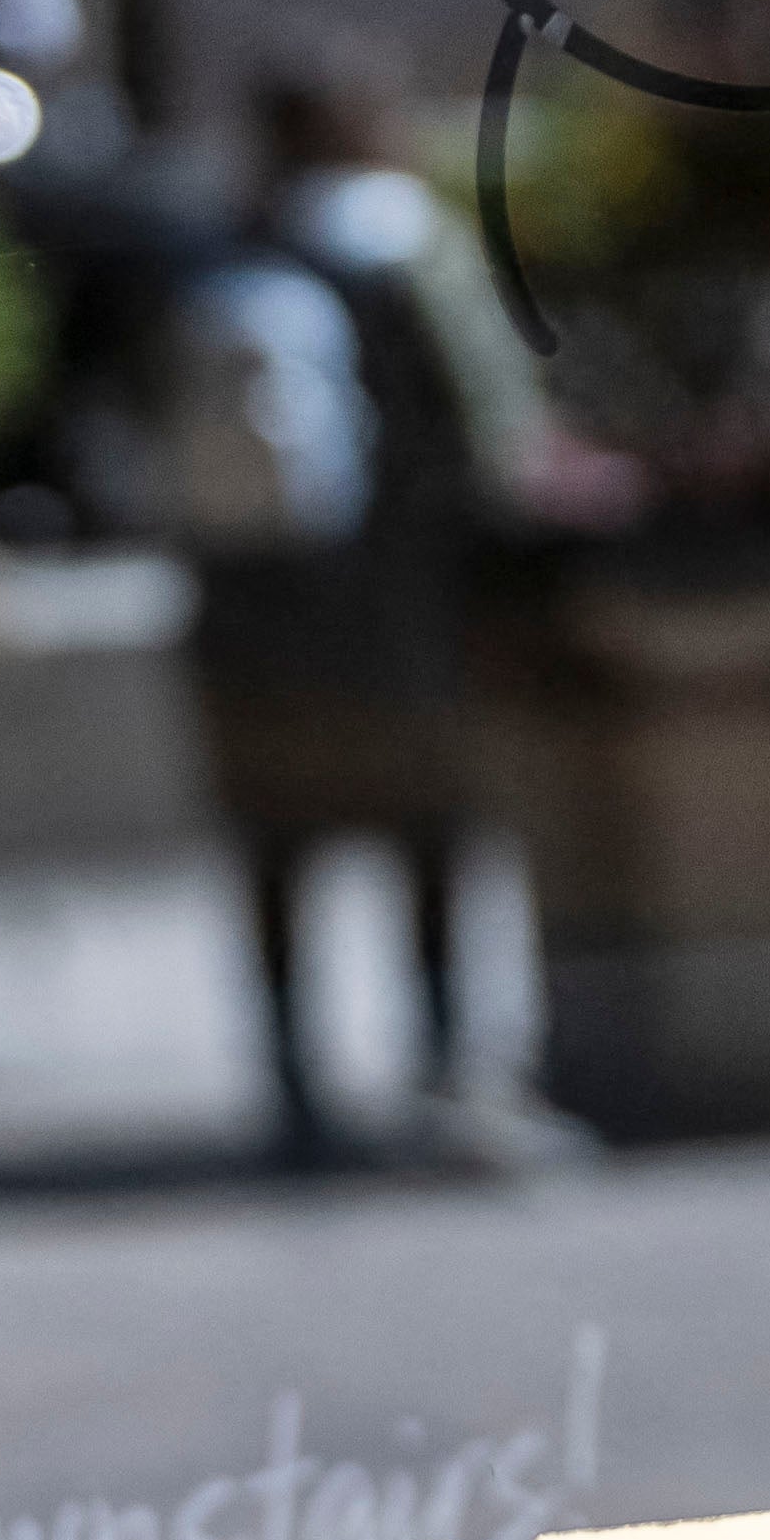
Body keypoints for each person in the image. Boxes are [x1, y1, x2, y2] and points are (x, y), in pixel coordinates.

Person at [173, 63, 505, 1167]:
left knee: (274, 851)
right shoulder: (407, 252)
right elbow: (483, 440)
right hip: (392, 609)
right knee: (426, 840)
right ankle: (444, 1064)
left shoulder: (217, 251)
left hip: (245, 619)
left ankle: (291, 1089)